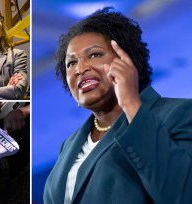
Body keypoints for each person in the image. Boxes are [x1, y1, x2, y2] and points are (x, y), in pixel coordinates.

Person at [44, 7, 192, 204]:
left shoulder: (180, 114)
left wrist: (130, 101)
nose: (80, 68)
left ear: (128, 61)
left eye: (95, 54)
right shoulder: (69, 145)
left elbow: (181, 194)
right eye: (71, 63)